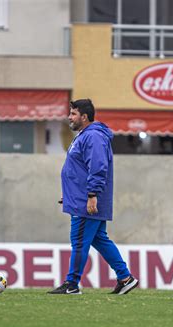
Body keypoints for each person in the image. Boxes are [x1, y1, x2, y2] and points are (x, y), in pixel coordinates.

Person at [48, 99, 139, 295]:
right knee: (100, 239)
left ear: (84, 117)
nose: (69, 117)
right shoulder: (86, 135)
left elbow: (97, 167)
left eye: (73, 114)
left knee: (79, 241)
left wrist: (91, 195)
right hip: (80, 197)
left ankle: (71, 284)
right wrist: (70, 193)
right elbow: (79, 169)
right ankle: (125, 278)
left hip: (86, 201)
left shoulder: (94, 137)